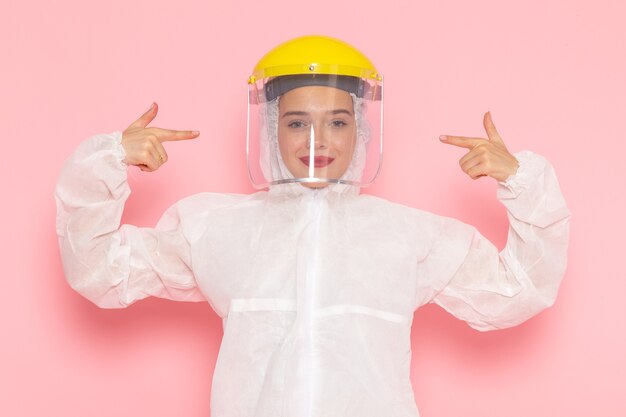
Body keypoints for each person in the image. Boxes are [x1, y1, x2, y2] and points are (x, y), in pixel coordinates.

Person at [55, 35, 571, 417]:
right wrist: (107, 162)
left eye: (338, 121)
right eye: (297, 121)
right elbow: (101, 271)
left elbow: (516, 292)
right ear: (270, 128)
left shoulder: (409, 235)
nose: (316, 139)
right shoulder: (215, 227)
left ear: (363, 130)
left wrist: (521, 182)